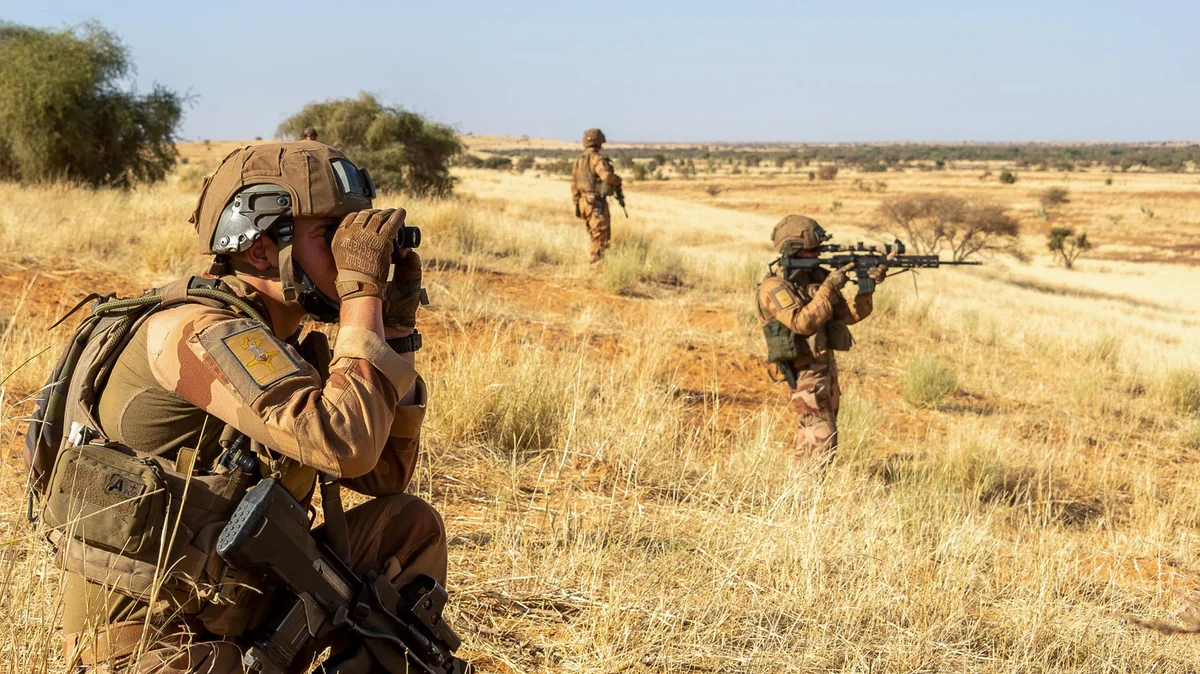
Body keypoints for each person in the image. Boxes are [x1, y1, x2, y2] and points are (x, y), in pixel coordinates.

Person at [36, 141, 444, 672]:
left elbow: (384, 475)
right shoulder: (199, 332)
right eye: (331, 237)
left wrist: (392, 328)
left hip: (241, 613)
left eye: (356, 237)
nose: (353, 256)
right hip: (155, 644)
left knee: (408, 527)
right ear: (259, 250)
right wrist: (361, 294)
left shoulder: (281, 342)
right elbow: (346, 445)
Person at [755, 215, 887, 463]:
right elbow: (802, 323)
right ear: (793, 250)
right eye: (812, 250)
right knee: (821, 436)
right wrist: (829, 285)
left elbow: (848, 315)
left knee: (818, 435)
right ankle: (804, 494)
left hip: (824, 368)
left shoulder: (813, 279)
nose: (819, 254)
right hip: (803, 370)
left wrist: (867, 286)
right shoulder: (774, 287)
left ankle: (801, 494)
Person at [570, 128, 622, 263]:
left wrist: (576, 204)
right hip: (595, 203)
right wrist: (618, 180)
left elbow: (574, 185)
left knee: (594, 234)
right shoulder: (596, 160)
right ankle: (596, 267)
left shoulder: (579, 161)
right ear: (599, 142)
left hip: (583, 202)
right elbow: (606, 176)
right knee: (600, 236)